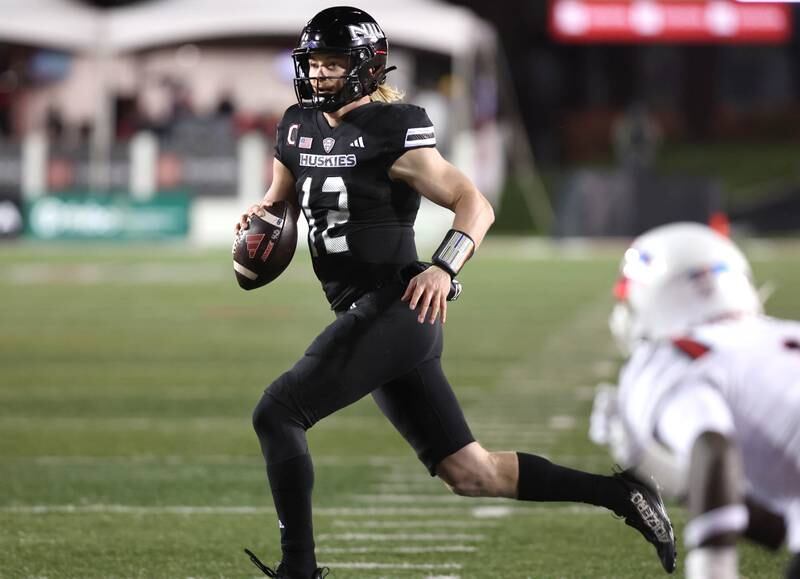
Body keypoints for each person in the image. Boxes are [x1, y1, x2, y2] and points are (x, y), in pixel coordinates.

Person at [235, 7, 677, 578]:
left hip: (399, 307)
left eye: (333, 63)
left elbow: (476, 204)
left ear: (366, 67)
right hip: (363, 313)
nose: (319, 75)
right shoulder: (295, 124)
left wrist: (443, 266)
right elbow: (280, 200)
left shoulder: (394, 128)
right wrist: (259, 220)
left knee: (278, 413)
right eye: (313, 63)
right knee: (472, 474)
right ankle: (625, 495)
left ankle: (299, 571)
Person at [591, 222, 800, 579]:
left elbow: (713, 448)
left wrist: (713, 568)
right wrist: (685, 486)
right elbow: (780, 530)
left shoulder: (677, 357)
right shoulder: (786, 334)